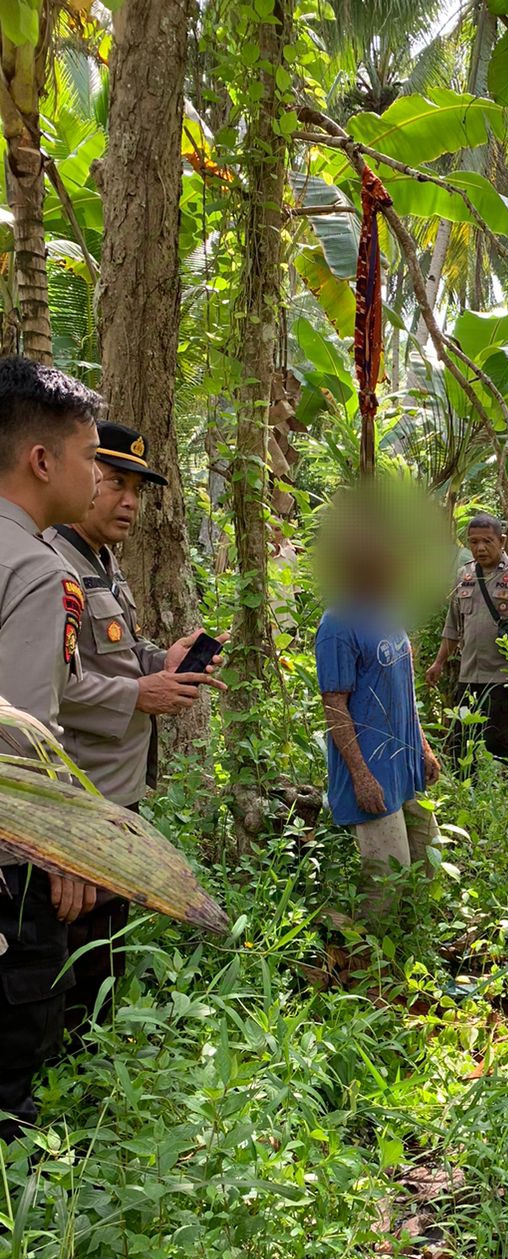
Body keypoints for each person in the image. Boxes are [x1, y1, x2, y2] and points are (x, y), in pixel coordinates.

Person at [48, 421, 225, 1039]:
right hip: (79, 788)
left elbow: (115, 649)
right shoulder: (50, 564)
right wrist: (137, 694)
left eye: (138, 489)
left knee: (106, 942)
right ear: (78, 476)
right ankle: (67, 1077)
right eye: (114, 482)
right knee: (71, 948)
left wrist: (161, 661)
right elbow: (44, 692)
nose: (129, 501)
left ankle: (95, 1062)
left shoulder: (101, 560)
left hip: (119, 791)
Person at [0, 356, 102, 1139]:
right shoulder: (36, 569)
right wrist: (62, 852)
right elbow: (24, 731)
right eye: (91, 456)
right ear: (43, 460)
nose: (98, 474)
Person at [316, 501, 441, 926]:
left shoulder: (388, 612)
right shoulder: (338, 623)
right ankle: (362, 960)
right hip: (370, 769)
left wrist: (422, 747)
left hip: (404, 766)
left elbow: (402, 687)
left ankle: (409, 950)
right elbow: (334, 705)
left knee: (428, 859)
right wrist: (361, 776)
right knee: (388, 876)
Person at [425, 514, 508, 768]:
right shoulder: (464, 575)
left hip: (502, 676)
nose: (480, 548)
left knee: (498, 739)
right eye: (474, 542)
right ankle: (466, 793)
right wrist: (438, 663)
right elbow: (453, 625)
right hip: (468, 674)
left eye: (487, 541)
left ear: (502, 540)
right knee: (461, 740)